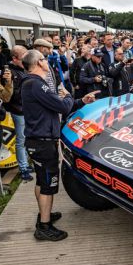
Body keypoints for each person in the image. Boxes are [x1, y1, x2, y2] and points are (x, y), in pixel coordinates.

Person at [20, 50, 98, 241]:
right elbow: (63, 105)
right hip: (42, 142)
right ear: (39, 62)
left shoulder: (31, 83)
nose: (47, 62)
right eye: (45, 59)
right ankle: (44, 227)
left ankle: (43, 214)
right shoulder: (36, 84)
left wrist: (80, 100)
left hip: (38, 140)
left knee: (41, 180)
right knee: (48, 184)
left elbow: (55, 105)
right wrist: (69, 95)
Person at [3, 45, 33, 182]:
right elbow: (11, 95)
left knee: (26, 138)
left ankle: (25, 163)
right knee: (21, 140)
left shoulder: (23, 69)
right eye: (23, 58)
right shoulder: (10, 73)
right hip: (18, 110)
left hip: (25, 109)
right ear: (14, 59)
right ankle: (23, 168)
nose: (26, 61)